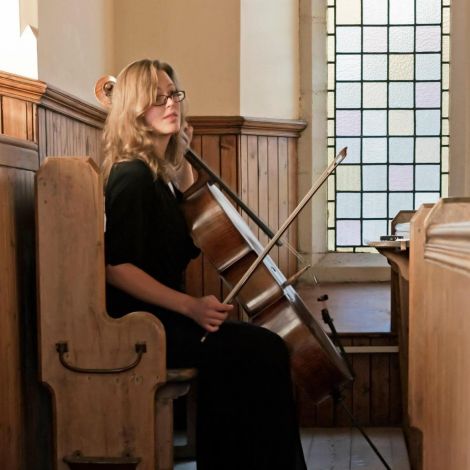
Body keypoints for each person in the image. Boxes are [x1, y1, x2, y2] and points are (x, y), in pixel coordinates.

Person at [102, 58, 307, 470]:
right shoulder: (131, 176)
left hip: (164, 317)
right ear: (133, 109)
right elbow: (116, 267)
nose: (170, 104)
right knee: (262, 350)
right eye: (156, 98)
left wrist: (181, 178)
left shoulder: (157, 176)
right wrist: (190, 307)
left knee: (253, 351)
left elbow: (179, 238)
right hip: (140, 324)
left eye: (173, 94)